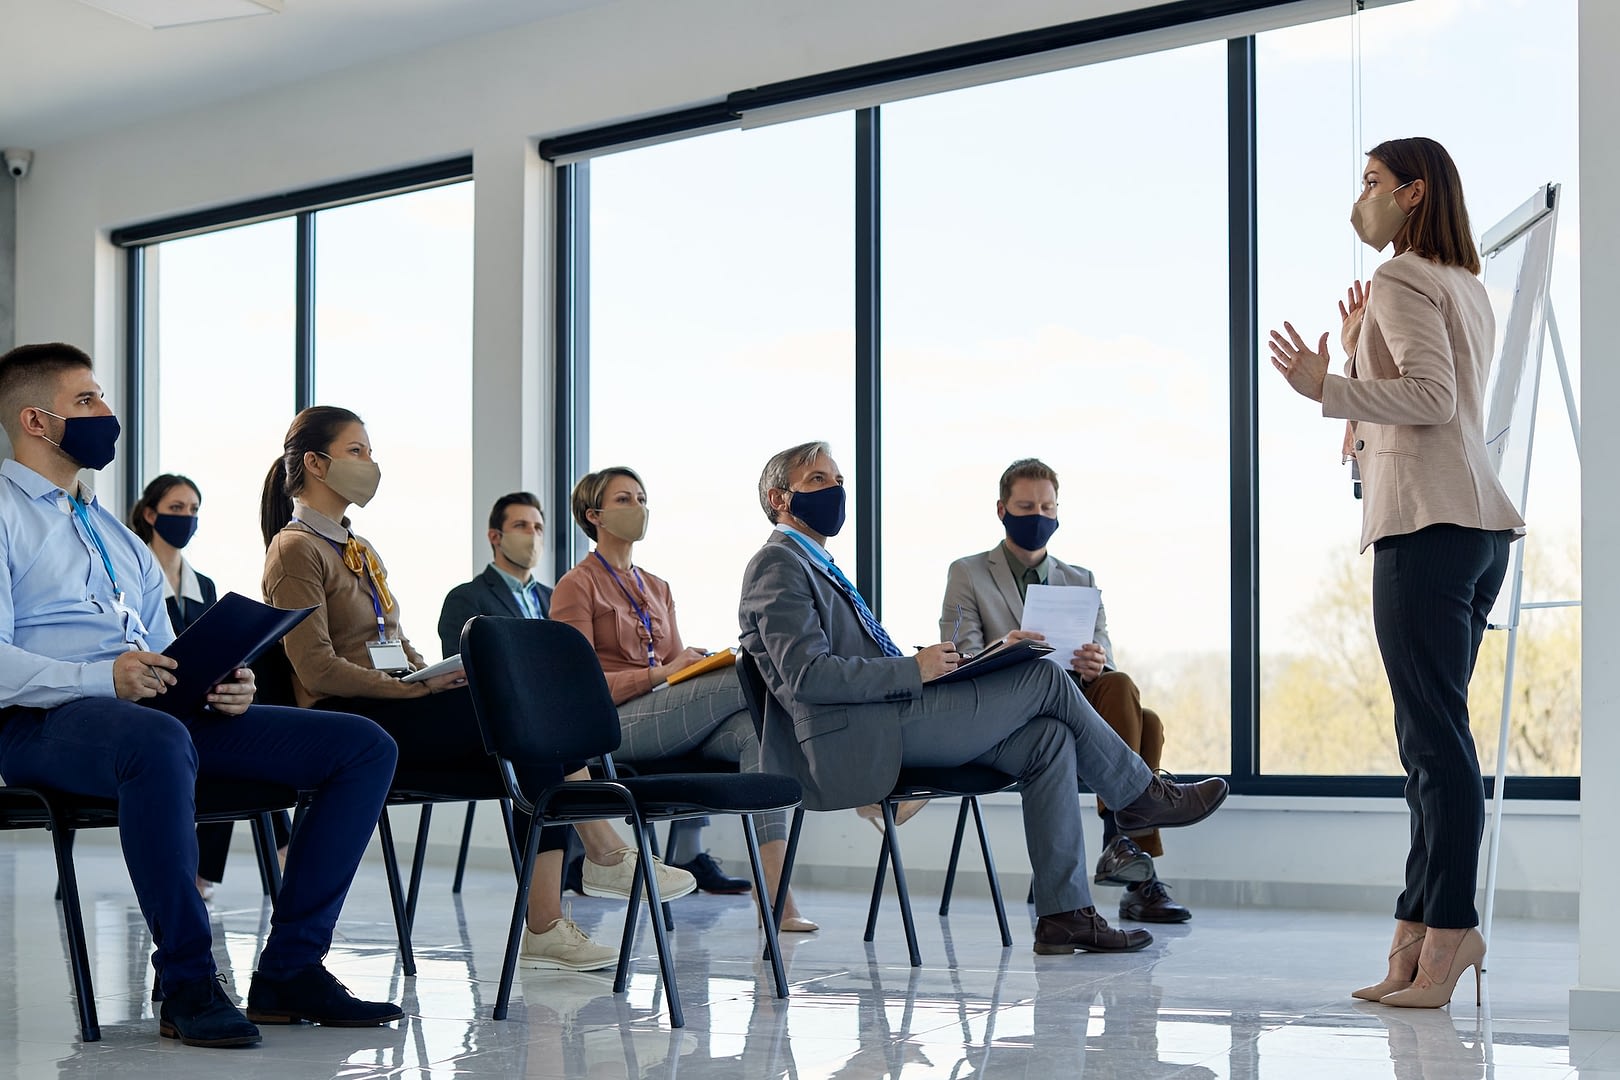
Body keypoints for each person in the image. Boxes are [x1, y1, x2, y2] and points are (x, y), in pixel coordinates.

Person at [0, 343, 402, 1047]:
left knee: (361, 745)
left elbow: (164, 656)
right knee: (157, 739)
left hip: (152, 721)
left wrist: (220, 682)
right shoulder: (5, 515)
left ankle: (290, 970)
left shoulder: (118, 539)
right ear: (37, 420)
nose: (107, 412)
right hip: (42, 724)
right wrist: (104, 678)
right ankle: (187, 981)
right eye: (88, 401)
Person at [737, 440, 1229, 954]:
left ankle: (1064, 914)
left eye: (838, 480)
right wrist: (913, 668)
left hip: (889, 718)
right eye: (818, 480)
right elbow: (808, 677)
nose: (835, 490)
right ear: (779, 498)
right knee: (1045, 678)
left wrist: (931, 668)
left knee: (1050, 737)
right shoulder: (778, 564)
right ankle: (1141, 797)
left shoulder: (819, 564)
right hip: (860, 736)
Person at [260, 407, 694, 972]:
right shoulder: (295, 550)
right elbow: (316, 670)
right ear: (315, 464)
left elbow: (391, 641)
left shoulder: (358, 548)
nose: (371, 463)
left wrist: (431, 673)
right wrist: (411, 693)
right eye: (357, 452)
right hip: (352, 717)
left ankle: (554, 914)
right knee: (523, 720)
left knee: (531, 727)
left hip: (394, 702)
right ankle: (601, 856)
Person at [1267, 137, 1523, 1008]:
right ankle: (1415, 936)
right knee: (1430, 742)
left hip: (1430, 527)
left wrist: (1325, 385)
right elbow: (1425, 409)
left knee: (1435, 747)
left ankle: (1448, 932)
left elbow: (1431, 400)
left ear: (1413, 194)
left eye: (1372, 183)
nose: (1359, 200)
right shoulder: (1465, 286)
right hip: (1473, 526)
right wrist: (1357, 351)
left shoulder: (1405, 278)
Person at [550, 467, 813, 927]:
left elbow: (675, 669)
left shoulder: (658, 587)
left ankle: (775, 896)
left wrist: (690, 665)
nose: (639, 508)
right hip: (613, 725)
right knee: (744, 677)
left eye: (642, 498)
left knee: (756, 732)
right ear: (594, 516)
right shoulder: (576, 585)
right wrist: (661, 674)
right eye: (625, 500)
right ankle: (825, 743)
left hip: (664, 717)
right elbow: (576, 688)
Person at [941, 457, 1192, 924]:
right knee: (1149, 725)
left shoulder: (1081, 579)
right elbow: (959, 663)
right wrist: (1005, 647)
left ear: (1058, 512)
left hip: (1076, 702)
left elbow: (1108, 662)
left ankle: (1120, 846)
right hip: (1007, 713)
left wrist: (1097, 662)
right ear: (1001, 509)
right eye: (1025, 505)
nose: (1037, 516)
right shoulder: (968, 573)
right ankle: (1133, 867)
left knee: (1123, 690)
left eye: (1046, 506)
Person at [130, 472, 291, 901]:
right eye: (177, 508)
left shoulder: (204, 585)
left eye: (194, 510)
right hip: (150, 698)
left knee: (234, 734)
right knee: (227, 749)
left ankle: (214, 871)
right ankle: (279, 850)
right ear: (150, 514)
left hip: (196, 697)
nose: (187, 518)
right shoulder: (132, 574)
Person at [437, 491, 553, 655]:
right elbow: (461, 671)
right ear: (495, 537)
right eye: (520, 525)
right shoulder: (465, 598)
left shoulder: (553, 597)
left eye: (538, 528)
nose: (533, 534)